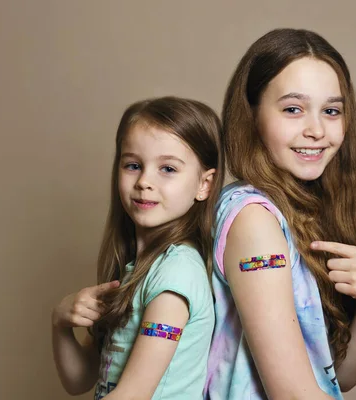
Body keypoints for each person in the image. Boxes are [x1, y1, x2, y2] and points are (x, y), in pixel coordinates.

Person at [204, 28, 356, 399]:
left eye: (331, 110)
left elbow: (335, 378)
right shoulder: (254, 221)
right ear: (252, 114)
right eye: (293, 109)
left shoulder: (296, 214)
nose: (316, 130)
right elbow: (292, 393)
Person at [52, 96, 223, 399]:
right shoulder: (136, 270)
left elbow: (133, 394)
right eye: (133, 165)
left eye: (168, 169)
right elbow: (79, 380)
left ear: (204, 185)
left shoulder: (176, 273)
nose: (144, 181)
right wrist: (60, 322)